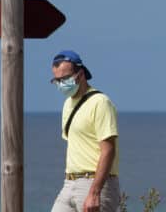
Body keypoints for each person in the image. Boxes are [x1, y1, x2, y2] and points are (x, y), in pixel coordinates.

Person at [50, 50, 120, 212]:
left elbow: (108, 150)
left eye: (65, 79)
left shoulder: (100, 102)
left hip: (94, 182)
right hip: (70, 182)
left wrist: (94, 192)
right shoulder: (68, 104)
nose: (61, 84)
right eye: (57, 80)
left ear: (80, 74)